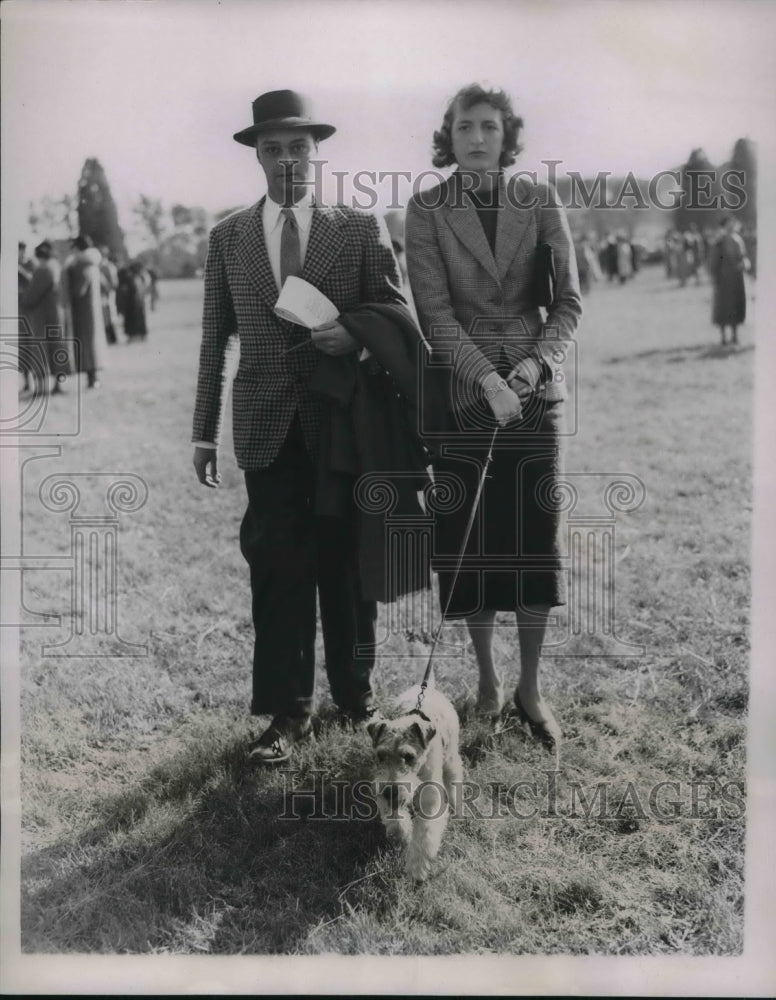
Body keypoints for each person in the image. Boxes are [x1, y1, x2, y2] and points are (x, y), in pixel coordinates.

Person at [192, 89, 407, 764]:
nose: (287, 160)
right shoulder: (227, 237)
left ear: (317, 153)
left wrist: (358, 338)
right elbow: (211, 342)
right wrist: (202, 432)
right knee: (278, 568)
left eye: (299, 147)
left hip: (342, 425)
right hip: (263, 425)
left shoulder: (359, 226)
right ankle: (287, 714)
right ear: (257, 155)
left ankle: (356, 697)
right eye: (273, 148)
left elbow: (398, 317)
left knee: (346, 564)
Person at [405, 83, 582, 749]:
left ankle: (529, 689)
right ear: (447, 137)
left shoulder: (540, 201)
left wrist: (531, 370)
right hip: (463, 398)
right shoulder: (425, 211)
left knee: (534, 545)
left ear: (507, 135)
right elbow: (435, 312)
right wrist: (484, 378)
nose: (477, 137)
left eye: (488, 126)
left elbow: (568, 302)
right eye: (463, 127)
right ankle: (483, 681)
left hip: (536, 398)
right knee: (471, 549)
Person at [21, 240, 72, 395]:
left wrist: (23, 299)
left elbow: (31, 297)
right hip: (56, 313)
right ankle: (58, 385)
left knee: (41, 349)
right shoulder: (57, 267)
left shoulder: (43, 269)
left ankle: (41, 387)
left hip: (43, 316)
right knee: (57, 349)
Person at [62, 235, 105, 388]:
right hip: (91, 308)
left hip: (82, 310)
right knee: (92, 342)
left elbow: (79, 289)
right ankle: (93, 377)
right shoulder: (91, 263)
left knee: (87, 343)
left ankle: (92, 378)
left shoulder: (81, 264)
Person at [709, 215, 748, 345]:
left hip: (736, 279)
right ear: (724, 227)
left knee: (735, 306)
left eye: (733, 224)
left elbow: (743, 257)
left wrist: (744, 263)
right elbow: (714, 261)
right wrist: (714, 275)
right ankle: (723, 336)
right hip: (723, 279)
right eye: (728, 225)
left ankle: (735, 335)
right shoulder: (719, 242)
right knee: (723, 307)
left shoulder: (738, 240)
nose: (731, 227)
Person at [18, 241, 36, 393]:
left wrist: (20, 270)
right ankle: (26, 381)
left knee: (31, 345)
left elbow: (33, 280)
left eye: (22, 251)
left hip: (30, 312)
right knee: (21, 347)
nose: (21, 254)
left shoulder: (31, 264)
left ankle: (35, 380)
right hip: (18, 311)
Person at [117, 260, 149, 341]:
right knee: (137, 318)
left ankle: (136, 335)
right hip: (135, 302)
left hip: (134, 302)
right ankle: (138, 335)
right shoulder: (136, 277)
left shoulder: (133, 278)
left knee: (134, 319)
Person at [99, 246, 120, 344]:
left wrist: (104, 284)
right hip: (102, 295)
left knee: (110, 316)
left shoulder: (108, 267)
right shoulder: (100, 266)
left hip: (108, 294)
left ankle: (113, 338)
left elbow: (114, 284)